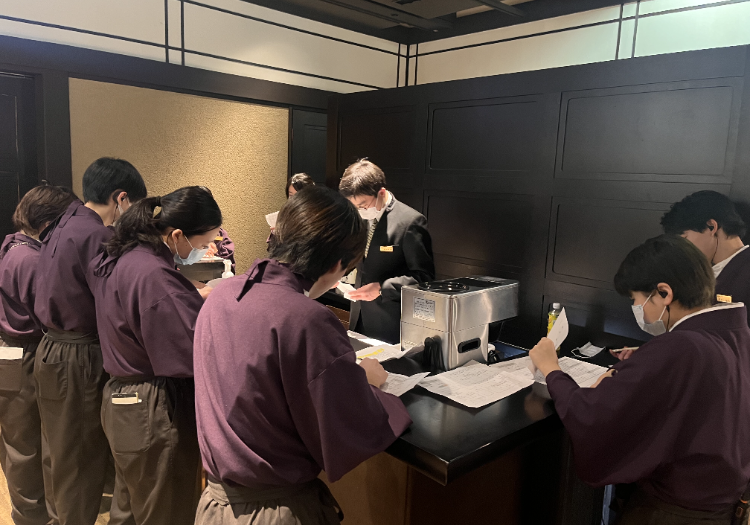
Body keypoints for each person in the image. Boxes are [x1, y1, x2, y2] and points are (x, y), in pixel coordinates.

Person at [193, 186, 412, 525]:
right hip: (274, 512)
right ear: (338, 265)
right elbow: (349, 422)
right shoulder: (307, 318)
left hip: (215, 505)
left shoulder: (223, 294)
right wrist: (370, 383)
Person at [529, 235, 750, 524]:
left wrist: (551, 369)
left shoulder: (681, 347)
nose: (638, 309)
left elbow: (594, 414)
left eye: (636, 300)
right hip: (725, 502)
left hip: (676, 511)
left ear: (664, 293)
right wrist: (646, 361)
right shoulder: (732, 331)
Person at [89, 186, 221, 524]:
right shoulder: (154, 274)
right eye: (204, 243)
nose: (204, 251)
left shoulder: (124, 256)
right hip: (152, 406)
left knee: (129, 508)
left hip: (121, 401)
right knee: (167, 510)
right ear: (176, 235)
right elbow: (191, 349)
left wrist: (185, 295)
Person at [32, 157, 147, 525]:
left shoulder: (64, 222)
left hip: (51, 348)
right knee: (81, 458)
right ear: (121, 198)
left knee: (60, 453)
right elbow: (114, 299)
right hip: (78, 354)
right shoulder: (97, 235)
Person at [0, 185, 77, 525]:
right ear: (48, 223)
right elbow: (51, 314)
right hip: (26, 354)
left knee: (19, 442)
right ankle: (33, 517)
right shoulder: (31, 259)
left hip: (10, 353)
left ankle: (30, 515)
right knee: (30, 445)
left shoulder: (13, 245)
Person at [338, 159, 435, 343]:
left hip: (390, 321)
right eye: (354, 207)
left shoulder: (410, 222)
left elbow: (424, 277)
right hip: (359, 316)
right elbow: (359, 256)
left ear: (381, 193)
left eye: (363, 205)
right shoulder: (360, 216)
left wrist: (382, 288)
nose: (360, 211)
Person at [661, 190, 749, 324]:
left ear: (711, 226)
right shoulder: (711, 271)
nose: (683, 250)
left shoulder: (744, 271)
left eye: (685, 239)